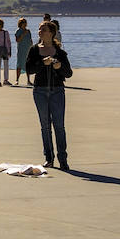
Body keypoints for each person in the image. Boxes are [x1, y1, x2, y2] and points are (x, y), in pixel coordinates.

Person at [24, 22, 72, 170]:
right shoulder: (34, 50)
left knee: (59, 126)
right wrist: (41, 64)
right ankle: (49, 158)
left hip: (57, 91)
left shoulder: (59, 52)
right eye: (39, 29)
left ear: (51, 33)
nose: (39, 32)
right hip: (40, 91)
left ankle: (63, 160)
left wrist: (59, 67)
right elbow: (29, 69)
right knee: (45, 127)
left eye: (43, 30)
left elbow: (68, 73)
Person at [12, 18, 34, 85]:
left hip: (28, 49)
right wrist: (23, 34)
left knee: (28, 64)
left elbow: (30, 40)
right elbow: (18, 40)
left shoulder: (28, 31)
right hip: (21, 50)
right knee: (19, 64)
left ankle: (28, 80)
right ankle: (17, 80)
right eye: (23, 22)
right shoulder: (18, 31)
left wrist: (32, 47)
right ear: (20, 23)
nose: (24, 24)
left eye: (25, 22)